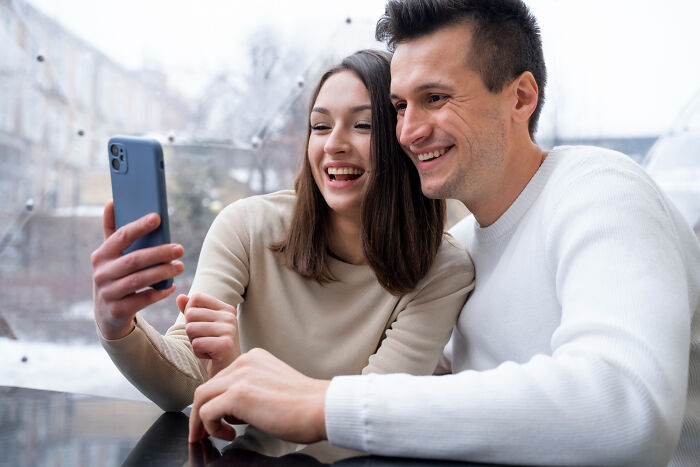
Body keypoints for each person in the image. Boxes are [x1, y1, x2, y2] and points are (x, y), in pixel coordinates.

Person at [187, 1, 700, 466]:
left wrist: (321, 404)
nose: (407, 131)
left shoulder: (602, 191)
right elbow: (430, 404)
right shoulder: (468, 254)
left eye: (435, 97)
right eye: (400, 106)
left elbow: (623, 409)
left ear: (521, 97)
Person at [90, 49, 474, 412]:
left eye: (363, 125)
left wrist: (237, 374)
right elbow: (184, 377)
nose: (333, 145)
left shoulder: (443, 271)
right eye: (320, 126)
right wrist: (117, 325)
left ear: (404, 139)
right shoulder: (247, 227)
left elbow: (369, 415)